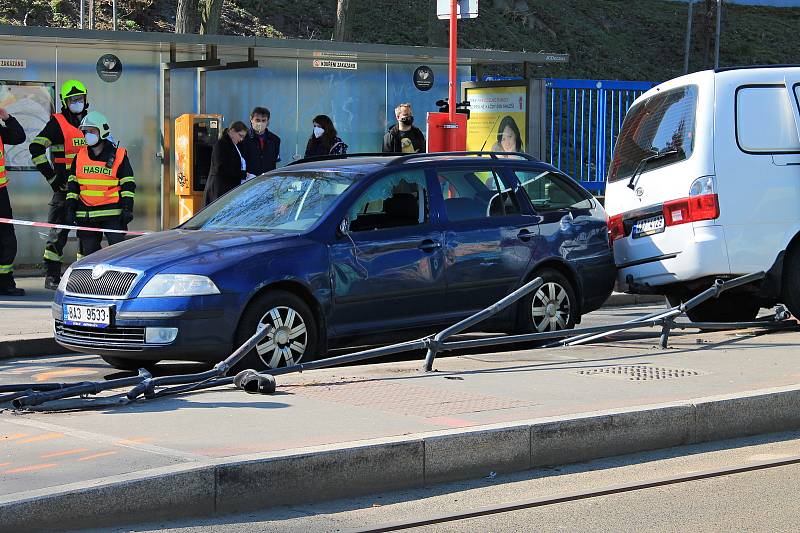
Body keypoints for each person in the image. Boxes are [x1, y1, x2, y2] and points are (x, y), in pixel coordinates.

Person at [29, 79, 90, 290]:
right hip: (64, 189)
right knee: (58, 233)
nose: (77, 103)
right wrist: (53, 179)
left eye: (80, 99)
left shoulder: (91, 122)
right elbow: (35, 148)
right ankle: (52, 275)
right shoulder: (58, 123)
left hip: (87, 189)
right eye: (73, 99)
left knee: (87, 234)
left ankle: (83, 277)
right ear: (65, 102)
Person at [65, 111, 136, 257]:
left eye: (92, 131)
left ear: (102, 131)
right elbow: (73, 185)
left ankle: (117, 280)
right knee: (89, 254)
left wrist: (127, 208)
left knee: (118, 254)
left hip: (112, 215)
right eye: (86, 132)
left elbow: (128, 184)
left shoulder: (119, 155)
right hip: (86, 214)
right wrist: (70, 207)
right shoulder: (80, 156)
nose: (88, 135)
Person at [0, 107, 27, 296]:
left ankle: (5, 282)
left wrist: (7, 117)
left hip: (0, 194)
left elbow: (18, 136)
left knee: (7, 239)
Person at [203, 121, 252, 206]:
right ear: (232, 131)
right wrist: (242, 174)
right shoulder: (221, 144)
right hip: (219, 190)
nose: (241, 139)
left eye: (243, 137)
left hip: (225, 189)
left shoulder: (234, 145)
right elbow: (221, 168)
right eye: (240, 135)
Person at [238, 107, 281, 177]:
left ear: (268, 122)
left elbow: (274, 162)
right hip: (248, 181)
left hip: (267, 180)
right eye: (257, 120)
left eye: (263, 120)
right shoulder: (243, 138)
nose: (260, 123)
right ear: (251, 119)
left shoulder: (275, 140)